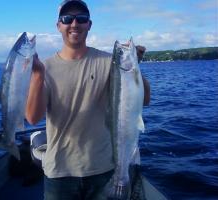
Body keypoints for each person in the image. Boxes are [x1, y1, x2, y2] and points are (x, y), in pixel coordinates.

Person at [25, 0, 150, 199]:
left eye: (81, 19)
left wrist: (134, 68)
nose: (74, 24)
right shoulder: (45, 67)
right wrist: (38, 76)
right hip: (59, 172)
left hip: (105, 169)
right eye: (67, 19)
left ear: (89, 25)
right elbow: (32, 118)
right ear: (59, 26)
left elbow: (144, 100)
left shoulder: (110, 62)